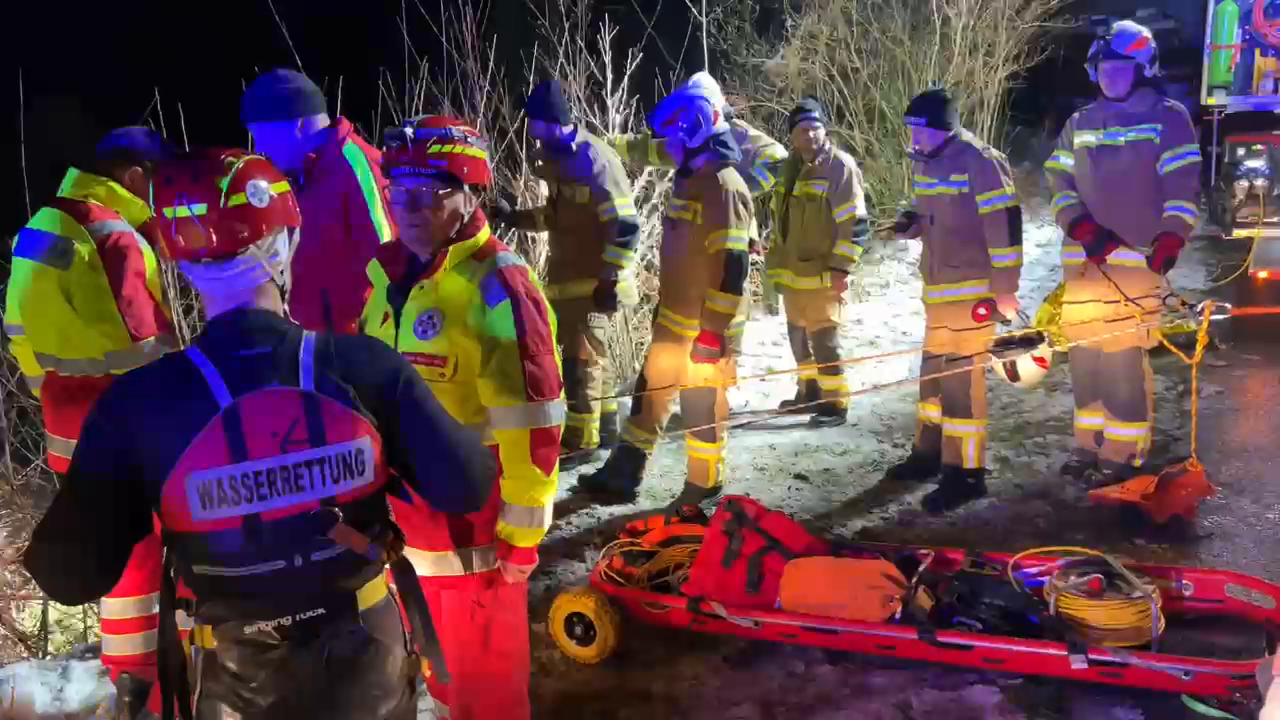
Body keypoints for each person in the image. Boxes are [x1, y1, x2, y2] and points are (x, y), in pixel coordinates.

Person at [21, 148, 496, 720]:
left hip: (235, 682)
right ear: (283, 244)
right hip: (368, 665)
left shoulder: (139, 404)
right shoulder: (362, 367)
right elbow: (466, 485)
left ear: (177, 260)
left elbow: (69, 575)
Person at [362, 115, 564, 720]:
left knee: (487, 694)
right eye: (400, 190)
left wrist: (522, 537)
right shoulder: (384, 279)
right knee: (440, 677)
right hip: (404, 532)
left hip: (474, 541)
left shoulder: (499, 286)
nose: (410, 206)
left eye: (432, 191)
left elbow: (535, 422)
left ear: (471, 194)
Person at [3, 126, 187, 715]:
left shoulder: (43, 224)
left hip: (64, 414)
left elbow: (16, 326)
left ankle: (127, 682)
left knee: (110, 550)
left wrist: (50, 390)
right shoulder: (111, 233)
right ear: (134, 176)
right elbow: (145, 346)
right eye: (159, 182)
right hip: (126, 420)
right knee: (152, 548)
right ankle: (162, 685)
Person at [574, 80, 754, 509]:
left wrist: (712, 334)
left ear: (695, 130)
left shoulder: (723, 186)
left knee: (701, 406)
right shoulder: (692, 175)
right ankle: (624, 472)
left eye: (674, 135)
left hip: (707, 327)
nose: (668, 145)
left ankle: (704, 486)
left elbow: (732, 269)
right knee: (650, 396)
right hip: (676, 317)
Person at [1043, 20, 1200, 487]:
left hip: (1135, 266)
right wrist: (1078, 224)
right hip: (1084, 264)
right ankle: (1087, 445)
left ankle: (1122, 453)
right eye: (1103, 67)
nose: (1109, 75)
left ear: (1143, 68)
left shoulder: (1168, 118)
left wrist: (1172, 236)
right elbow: (1059, 182)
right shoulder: (1080, 123)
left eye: (1120, 67)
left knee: (1121, 363)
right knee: (1085, 358)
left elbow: (1183, 187)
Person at [887, 88, 1025, 514]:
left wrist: (1005, 287)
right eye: (910, 129)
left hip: (972, 292)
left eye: (920, 130)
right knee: (932, 377)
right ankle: (928, 455)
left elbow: (1005, 224)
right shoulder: (927, 161)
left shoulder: (980, 161)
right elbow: (930, 211)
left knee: (961, 383)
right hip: (939, 293)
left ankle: (965, 473)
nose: (914, 138)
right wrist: (911, 222)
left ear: (944, 128)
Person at [491, 79, 639, 470]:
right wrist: (514, 218)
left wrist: (609, 278)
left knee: (581, 363)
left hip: (596, 283)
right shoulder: (561, 160)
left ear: (553, 121)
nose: (532, 134)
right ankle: (606, 429)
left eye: (535, 125)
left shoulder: (594, 161)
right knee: (592, 360)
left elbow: (625, 225)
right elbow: (558, 217)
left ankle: (580, 442)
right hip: (573, 282)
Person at [610, 71, 788, 317]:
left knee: (727, 302)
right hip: (694, 246)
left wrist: (742, 188)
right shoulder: (688, 141)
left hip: (731, 236)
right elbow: (649, 148)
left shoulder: (738, 134)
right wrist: (607, 144)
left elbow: (777, 158)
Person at [242, 68, 395, 334]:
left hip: (350, 340)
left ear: (297, 124)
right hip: (306, 337)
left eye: (262, 135)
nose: (259, 149)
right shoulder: (293, 173)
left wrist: (365, 337)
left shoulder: (354, 164)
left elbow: (387, 253)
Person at [766, 97, 871, 428]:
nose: (810, 134)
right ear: (792, 136)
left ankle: (834, 404)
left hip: (824, 275)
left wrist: (842, 268)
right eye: (802, 130)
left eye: (815, 128)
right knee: (798, 339)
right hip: (793, 275)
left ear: (825, 130)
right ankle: (808, 393)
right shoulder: (788, 168)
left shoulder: (840, 167)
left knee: (825, 342)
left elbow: (855, 223)